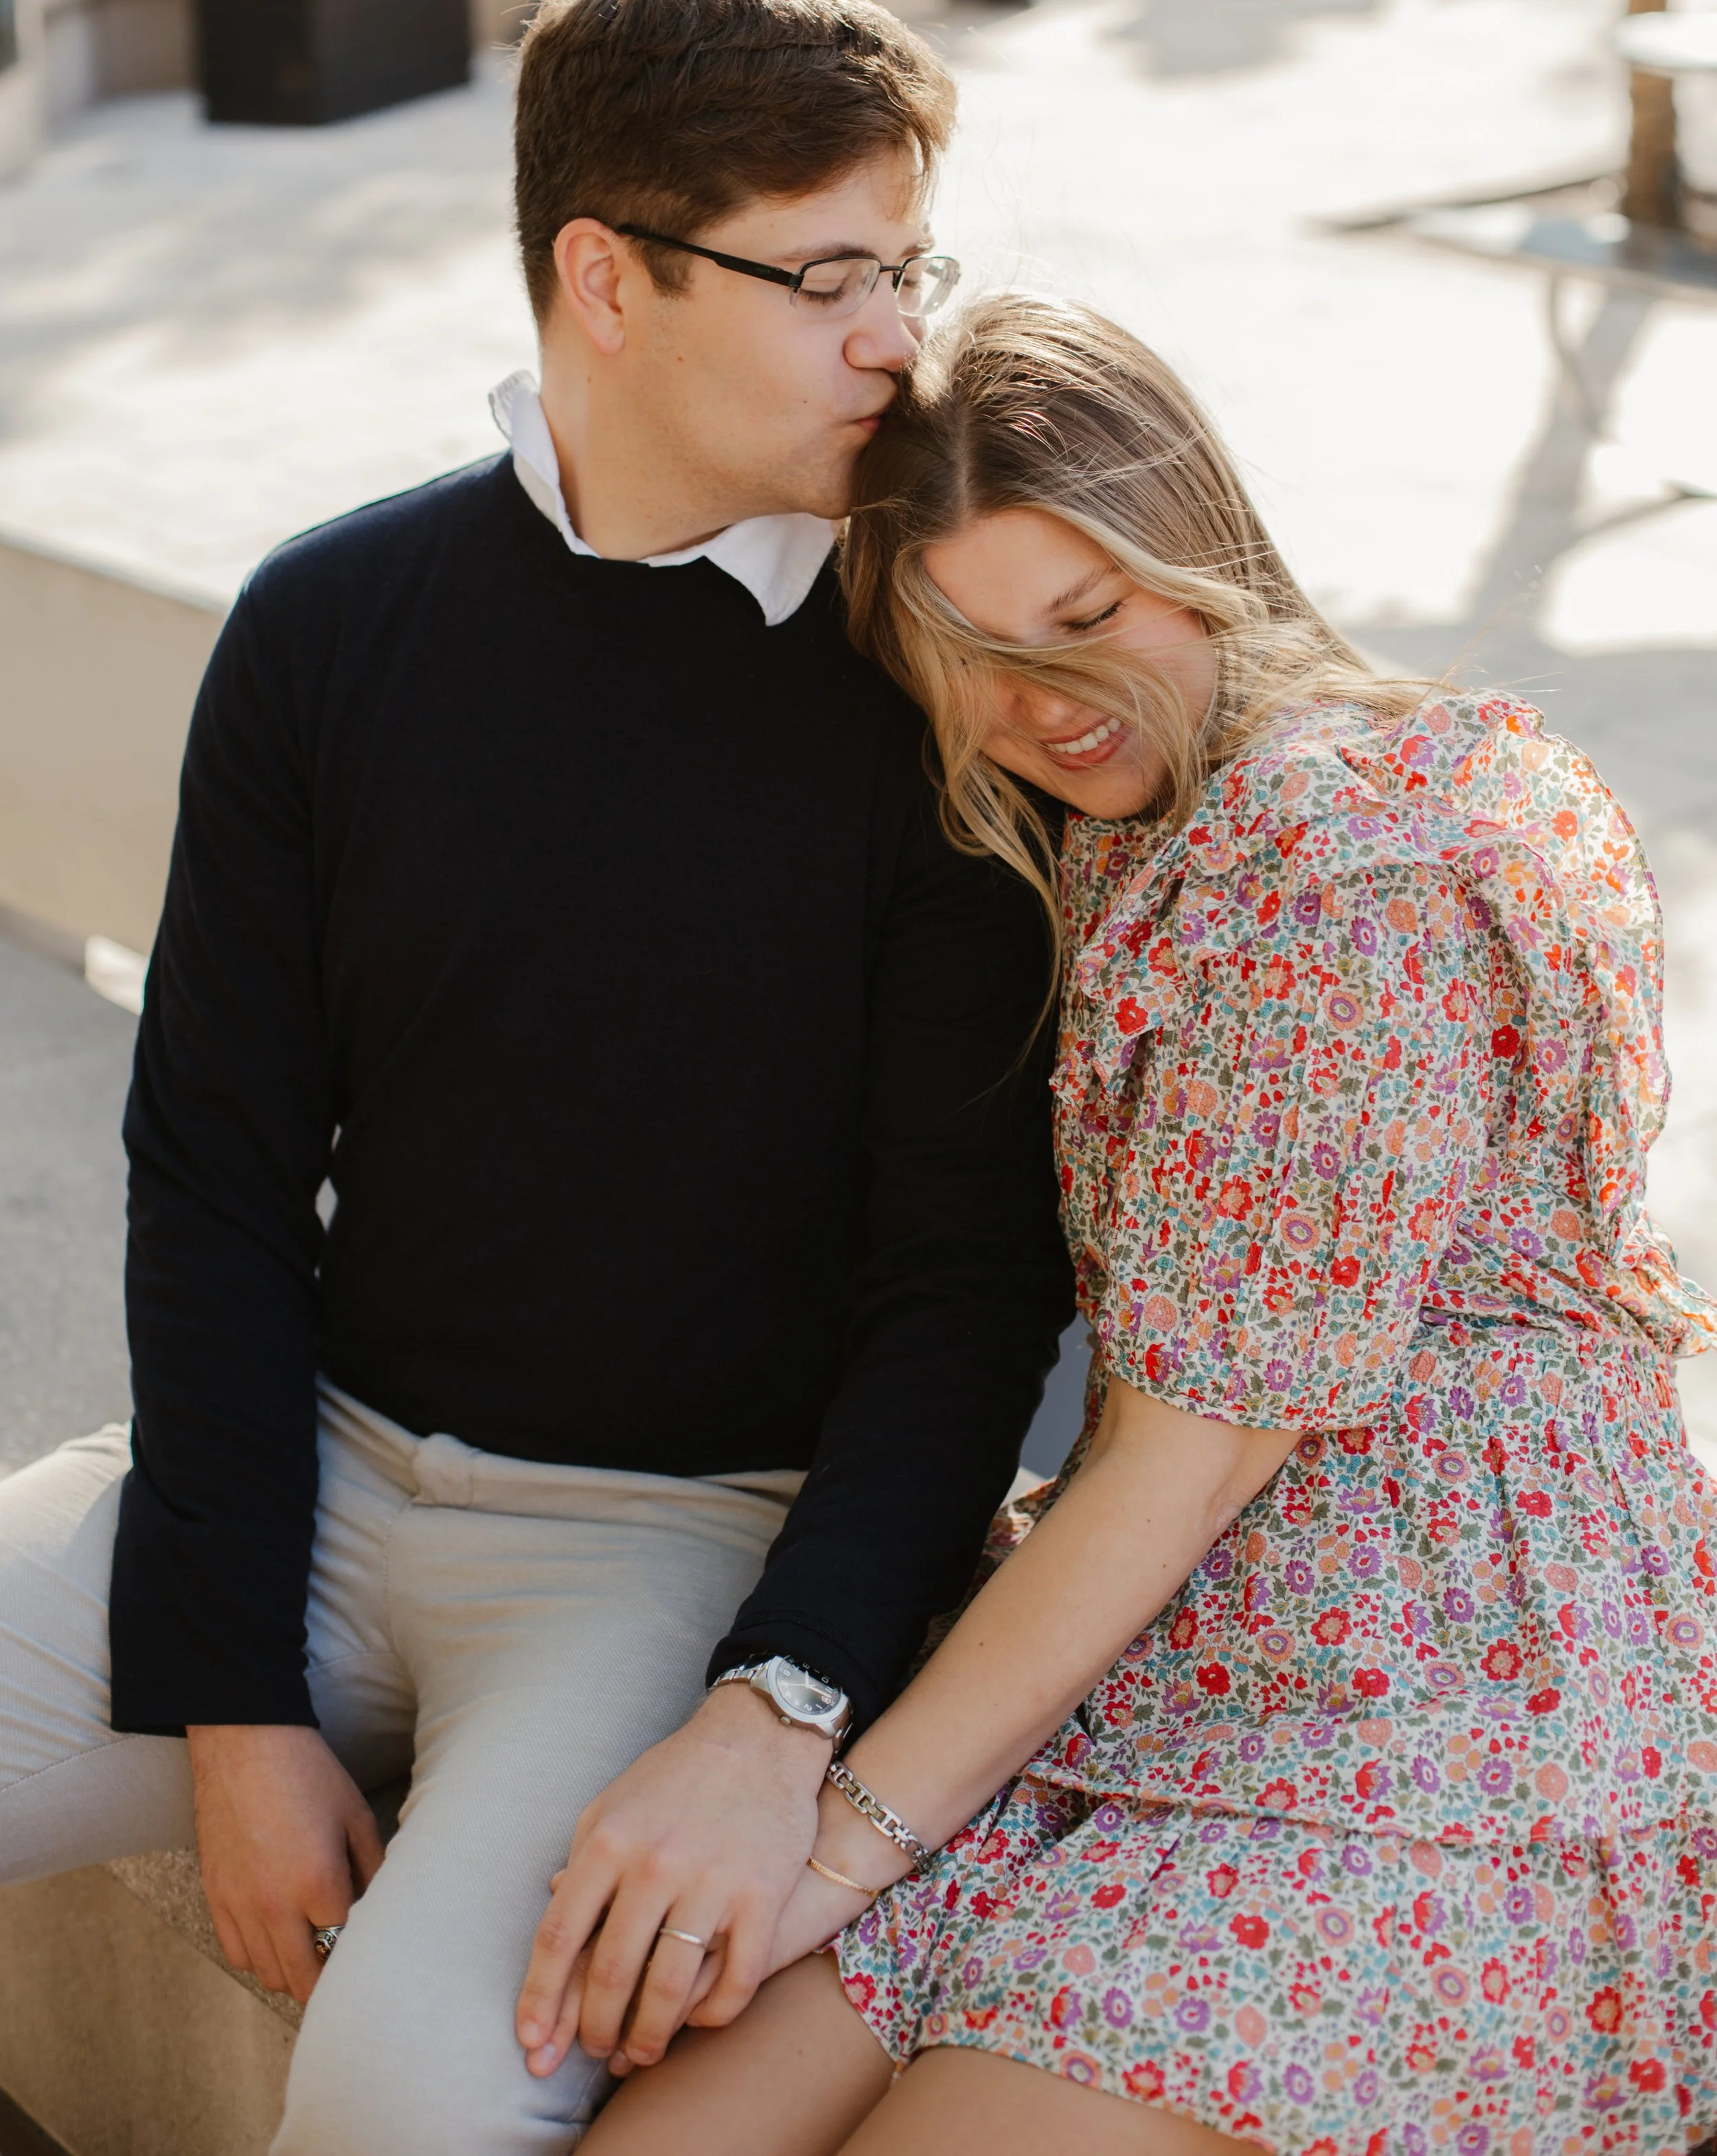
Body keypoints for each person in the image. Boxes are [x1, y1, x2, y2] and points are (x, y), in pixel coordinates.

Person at [0, 0, 1074, 2155]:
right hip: (296, 1475)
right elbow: (213, 1169)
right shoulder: (332, 626)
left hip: (668, 1551)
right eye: (827, 276)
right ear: (607, 276)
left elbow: (968, 1281)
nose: (897, 336)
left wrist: (783, 1695)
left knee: (407, 2106)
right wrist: (231, 1697)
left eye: (909, 267)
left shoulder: (934, 690)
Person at [578, 294, 1717, 2156]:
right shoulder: (1119, 819)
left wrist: (834, 1848)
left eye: (1089, 617)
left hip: (1446, 1692)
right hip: (1166, 1643)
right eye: (970, 656)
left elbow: (1186, 1463)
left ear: (1198, 553)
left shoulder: (1343, 868)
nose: (1044, 703)